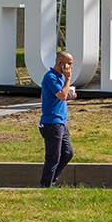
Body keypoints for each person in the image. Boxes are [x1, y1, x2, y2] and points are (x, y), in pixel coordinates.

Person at [38, 49, 76, 188]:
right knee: (53, 157)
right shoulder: (51, 77)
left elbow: (63, 95)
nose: (70, 67)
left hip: (61, 122)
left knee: (67, 153)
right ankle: (45, 185)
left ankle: (51, 179)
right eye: (69, 64)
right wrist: (68, 79)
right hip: (51, 123)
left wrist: (70, 93)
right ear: (60, 63)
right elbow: (61, 95)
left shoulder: (60, 77)